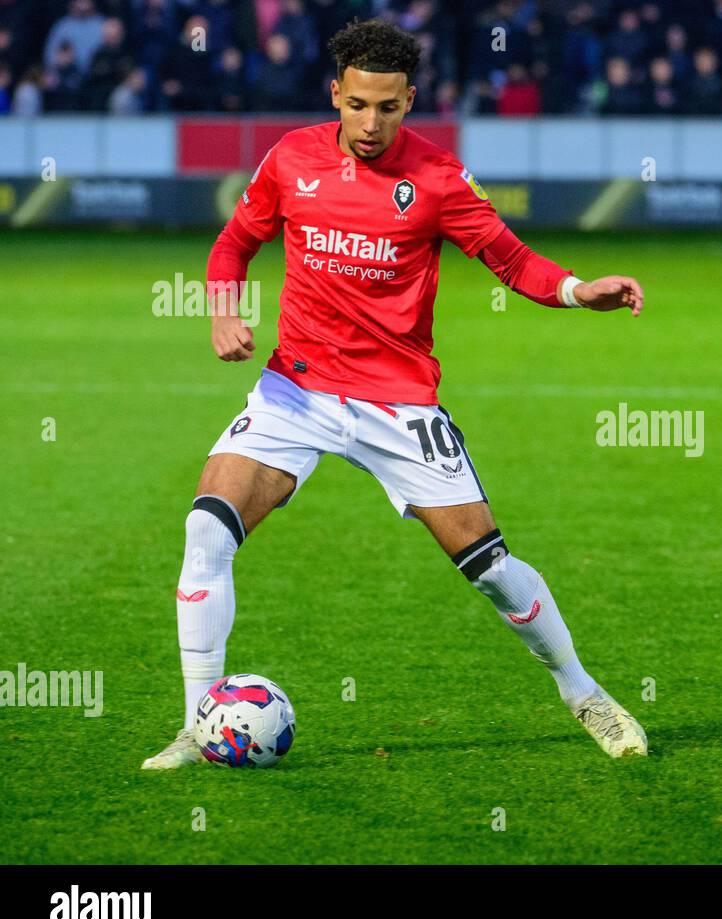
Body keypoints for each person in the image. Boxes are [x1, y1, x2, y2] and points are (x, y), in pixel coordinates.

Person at [142, 18, 648, 769]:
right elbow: (234, 243)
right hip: (297, 389)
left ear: (409, 100)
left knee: (490, 567)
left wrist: (579, 291)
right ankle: (198, 723)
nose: (371, 123)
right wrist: (224, 311)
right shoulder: (291, 159)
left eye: (388, 107)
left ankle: (585, 693)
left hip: (398, 401)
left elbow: (514, 263)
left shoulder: (440, 179)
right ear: (335, 93)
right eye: (357, 105)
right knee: (206, 530)